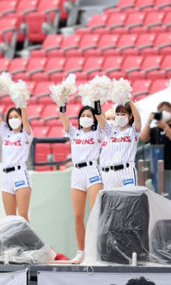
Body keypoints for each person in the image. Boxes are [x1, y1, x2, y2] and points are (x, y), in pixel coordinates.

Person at [58, 104, 104, 263]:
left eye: (89, 115)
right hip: (77, 172)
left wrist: (97, 104)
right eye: (83, 115)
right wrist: (62, 100)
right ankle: (82, 251)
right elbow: (63, 117)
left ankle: (97, 250)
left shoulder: (98, 132)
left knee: (95, 213)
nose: (86, 118)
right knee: (78, 216)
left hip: (92, 171)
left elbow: (102, 121)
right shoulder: (74, 133)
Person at [0, 94, 33, 222]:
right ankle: (14, 243)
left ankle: (29, 242)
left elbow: (26, 121)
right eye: (10, 117)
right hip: (6, 176)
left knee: (23, 217)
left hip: (20, 174)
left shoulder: (26, 134)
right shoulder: (6, 134)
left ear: (21, 118)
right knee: (10, 218)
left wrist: (22, 102)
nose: (13, 119)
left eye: (16, 116)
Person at [95, 99, 142, 189]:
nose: (120, 117)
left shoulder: (132, 131)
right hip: (112, 173)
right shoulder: (111, 131)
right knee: (112, 202)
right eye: (117, 114)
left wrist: (129, 100)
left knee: (128, 201)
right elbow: (99, 116)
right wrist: (96, 101)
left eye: (123, 114)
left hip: (127, 172)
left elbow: (138, 119)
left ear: (130, 116)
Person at [141, 101, 171, 171]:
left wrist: (165, 127)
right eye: (161, 111)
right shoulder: (155, 129)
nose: (164, 112)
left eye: (167, 110)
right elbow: (144, 138)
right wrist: (149, 121)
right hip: (157, 169)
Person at [99, 108, 116, 189]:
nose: (111, 121)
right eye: (108, 119)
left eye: (114, 118)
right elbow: (100, 116)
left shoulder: (121, 134)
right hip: (103, 173)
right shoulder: (102, 136)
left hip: (116, 172)